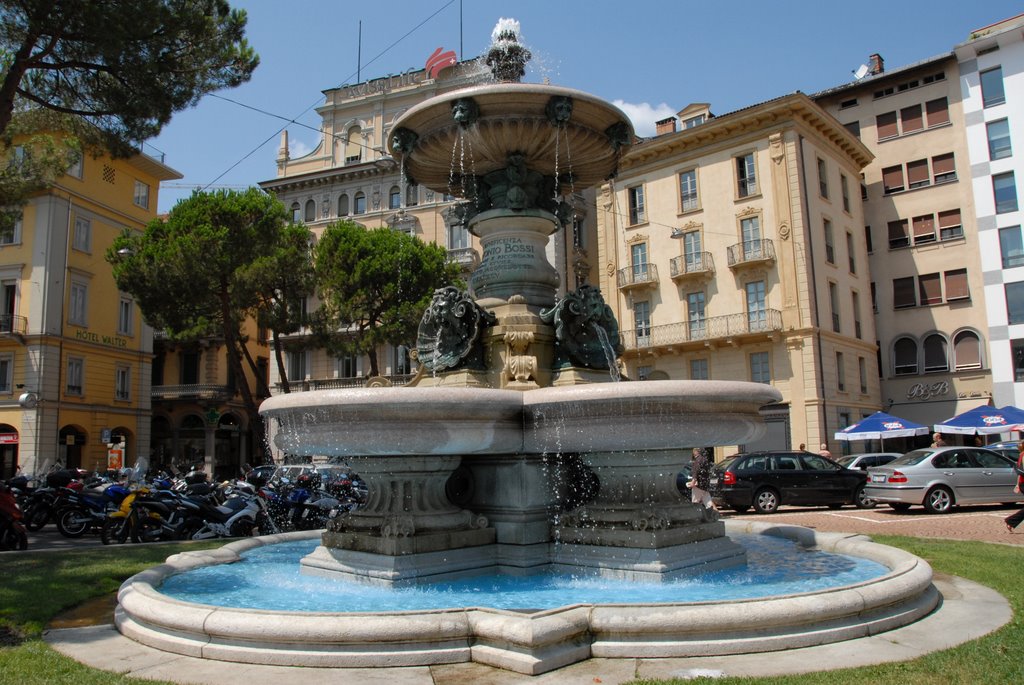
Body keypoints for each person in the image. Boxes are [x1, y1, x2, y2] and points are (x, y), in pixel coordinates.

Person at [687, 447, 716, 516]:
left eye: (693, 451)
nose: (693, 453)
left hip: (698, 485)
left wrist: (692, 483)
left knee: (695, 501)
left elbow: (695, 472)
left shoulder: (697, 460)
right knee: (708, 501)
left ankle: (695, 516)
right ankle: (714, 514)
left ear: (696, 452)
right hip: (705, 484)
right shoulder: (705, 460)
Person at [1005, 442, 1024, 533]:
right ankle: (1011, 521)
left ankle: (1011, 521)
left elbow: (1020, 472)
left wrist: (1017, 484)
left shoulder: (1021, 455)